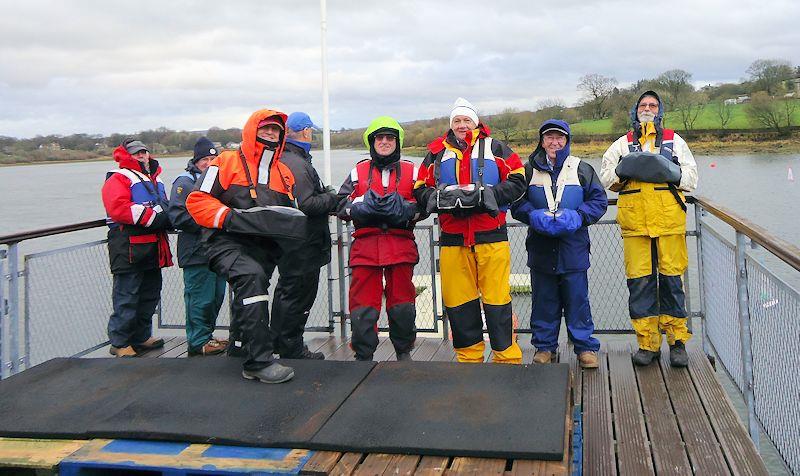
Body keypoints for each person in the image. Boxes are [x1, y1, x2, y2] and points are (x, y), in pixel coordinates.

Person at [186, 109, 306, 383]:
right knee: (251, 279)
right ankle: (259, 361)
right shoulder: (225, 162)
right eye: (265, 129)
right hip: (224, 242)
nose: (270, 134)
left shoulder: (284, 173)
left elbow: (291, 214)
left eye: (276, 130)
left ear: (283, 135)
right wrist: (230, 218)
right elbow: (197, 201)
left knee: (252, 288)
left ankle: (240, 349)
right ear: (252, 130)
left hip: (263, 248)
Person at [414, 98, 526, 364]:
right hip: (453, 239)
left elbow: (519, 180)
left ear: (476, 123)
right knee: (459, 303)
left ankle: (506, 358)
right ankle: (469, 359)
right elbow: (419, 187)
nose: (462, 125)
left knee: (498, 302)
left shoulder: (496, 148)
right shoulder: (436, 154)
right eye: (457, 121)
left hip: (491, 236)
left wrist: (490, 195)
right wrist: (436, 198)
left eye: (466, 120)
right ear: (451, 125)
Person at [599, 91, 698, 367]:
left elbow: (692, 178)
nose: (648, 108)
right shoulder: (621, 144)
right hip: (635, 226)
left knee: (672, 283)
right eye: (643, 105)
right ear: (635, 110)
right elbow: (606, 177)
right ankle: (647, 344)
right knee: (639, 284)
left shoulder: (674, 141)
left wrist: (669, 171)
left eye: (653, 105)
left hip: (669, 224)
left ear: (660, 110)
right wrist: (625, 169)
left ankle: (677, 342)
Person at [511, 120, 607, 368]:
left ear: (567, 140)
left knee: (578, 301)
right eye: (549, 138)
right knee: (543, 301)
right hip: (541, 249)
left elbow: (599, 201)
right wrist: (532, 215)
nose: (554, 142)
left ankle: (585, 348)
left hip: (573, 248)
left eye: (559, 138)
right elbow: (516, 203)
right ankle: (545, 348)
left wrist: (579, 216)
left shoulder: (582, 169)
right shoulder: (528, 170)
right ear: (542, 141)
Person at [337, 116, 423, 361]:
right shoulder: (359, 171)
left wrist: (407, 210)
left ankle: (403, 351)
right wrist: (358, 208)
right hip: (366, 245)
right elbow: (341, 203)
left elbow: (425, 203)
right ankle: (363, 354)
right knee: (363, 305)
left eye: (390, 138)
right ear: (371, 142)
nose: (384, 142)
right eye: (379, 138)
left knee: (402, 304)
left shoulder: (411, 170)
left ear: (398, 142)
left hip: (400, 244)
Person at [271, 112, 340, 360]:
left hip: (289, 240)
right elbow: (306, 204)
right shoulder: (296, 163)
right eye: (311, 131)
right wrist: (332, 197)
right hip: (303, 242)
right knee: (298, 295)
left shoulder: (285, 158)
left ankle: (277, 340)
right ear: (306, 132)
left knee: (286, 291)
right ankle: (292, 347)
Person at [102, 139, 172, 357]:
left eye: (144, 152)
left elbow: (165, 205)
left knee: (150, 292)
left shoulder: (156, 179)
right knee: (127, 293)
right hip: (127, 244)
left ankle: (141, 336)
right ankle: (120, 341)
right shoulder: (118, 177)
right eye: (136, 153)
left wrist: (169, 217)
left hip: (152, 243)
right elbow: (118, 208)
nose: (141, 155)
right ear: (126, 156)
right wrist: (155, 217)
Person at [167, 137, 228, 356]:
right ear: (196, 160)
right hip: (195, 251)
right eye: (205, 159)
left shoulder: (218, 180)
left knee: (215, 297)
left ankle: (207, 336)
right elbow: (177, 215)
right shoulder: (184, 182)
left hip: (216, 251)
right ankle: (197, 341)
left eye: (213, 158)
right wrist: (210, 222)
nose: (209, 162)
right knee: (199, 298)